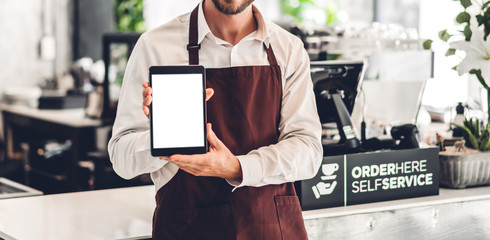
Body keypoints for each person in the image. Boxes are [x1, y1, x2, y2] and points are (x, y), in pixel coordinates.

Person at [108, 0, 323, 239]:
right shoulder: (156, 46)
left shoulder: (289, 49)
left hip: (272, 229)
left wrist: (236, 168)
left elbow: (308, 151)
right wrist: (164, 135)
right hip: (188, 229)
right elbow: (121, 159)